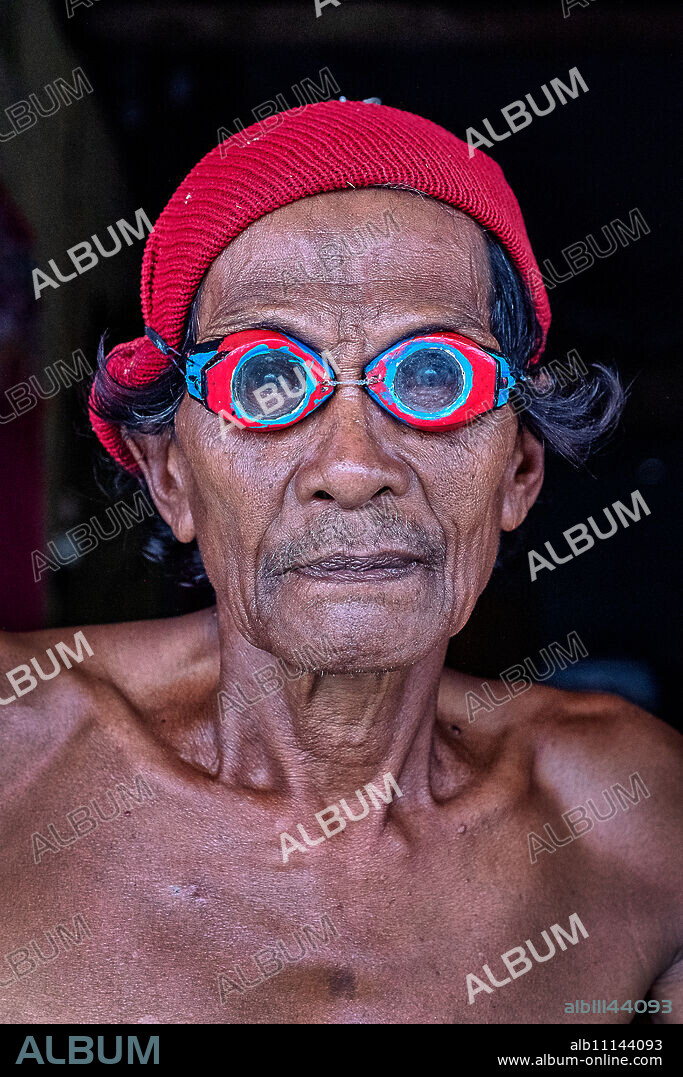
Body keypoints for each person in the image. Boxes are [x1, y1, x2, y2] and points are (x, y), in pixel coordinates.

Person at [1, 100, 680, 1024]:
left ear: (517, 472)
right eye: (267, 379)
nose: (354, 467)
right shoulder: (15, 755)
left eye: (434, 376)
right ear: (171, 477)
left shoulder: (640, 821)